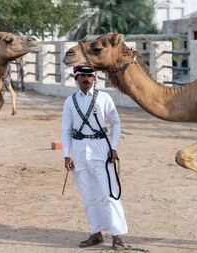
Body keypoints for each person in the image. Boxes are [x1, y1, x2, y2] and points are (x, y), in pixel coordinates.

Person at [61, 66, 127, 250]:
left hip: (101, 150)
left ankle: (117, 236)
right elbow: (66, 130)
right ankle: (96, 233)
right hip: (80, 151)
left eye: (90, 75)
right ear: (76, 78)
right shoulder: (70, 101)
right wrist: (67, 155)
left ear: (95, 78)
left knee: (109, 193)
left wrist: (113, 147)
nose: (86, 79)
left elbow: (115, 123)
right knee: (88, 195)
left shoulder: (104, 97)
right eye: (82, 75)